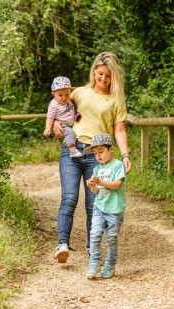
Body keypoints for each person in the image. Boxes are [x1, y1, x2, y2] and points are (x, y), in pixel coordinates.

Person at [52, 52, 131, 264]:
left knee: (93, 203)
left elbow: (120, 131)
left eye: (108, 76)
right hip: (72, 149)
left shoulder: (116, 101)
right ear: (94, 72)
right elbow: (57, 107)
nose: (103, 79)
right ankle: (62, 245)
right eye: (100, 74)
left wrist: (125, 155)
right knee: (69, 198)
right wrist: (55, 124)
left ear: (113, 77)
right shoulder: (78, 93)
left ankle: (91, 246)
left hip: (98, 154)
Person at [84, 133, 126, 278]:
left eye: (101, 151)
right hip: (99, 207)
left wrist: (100, 182)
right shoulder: (97, 170)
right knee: (94, 235)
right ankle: (94, 263)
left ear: (111, 149)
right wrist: (92, 186)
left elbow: (117, 184)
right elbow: (97, 191)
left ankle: (110, 264)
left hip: (114, 209)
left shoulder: (118, 165)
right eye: (95, 153)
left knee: (111, 238)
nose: (98, 156)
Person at [44, 76, 82, 158]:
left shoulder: (70, 99)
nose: (64, 97)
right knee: (70, 133)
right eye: (60, 95)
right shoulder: (54, 105)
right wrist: (48, 128)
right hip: (63, 125)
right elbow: (50, 117)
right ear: (54, 94)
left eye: (67, 94)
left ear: (70, 91)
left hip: (72, 120)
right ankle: (72, 149)